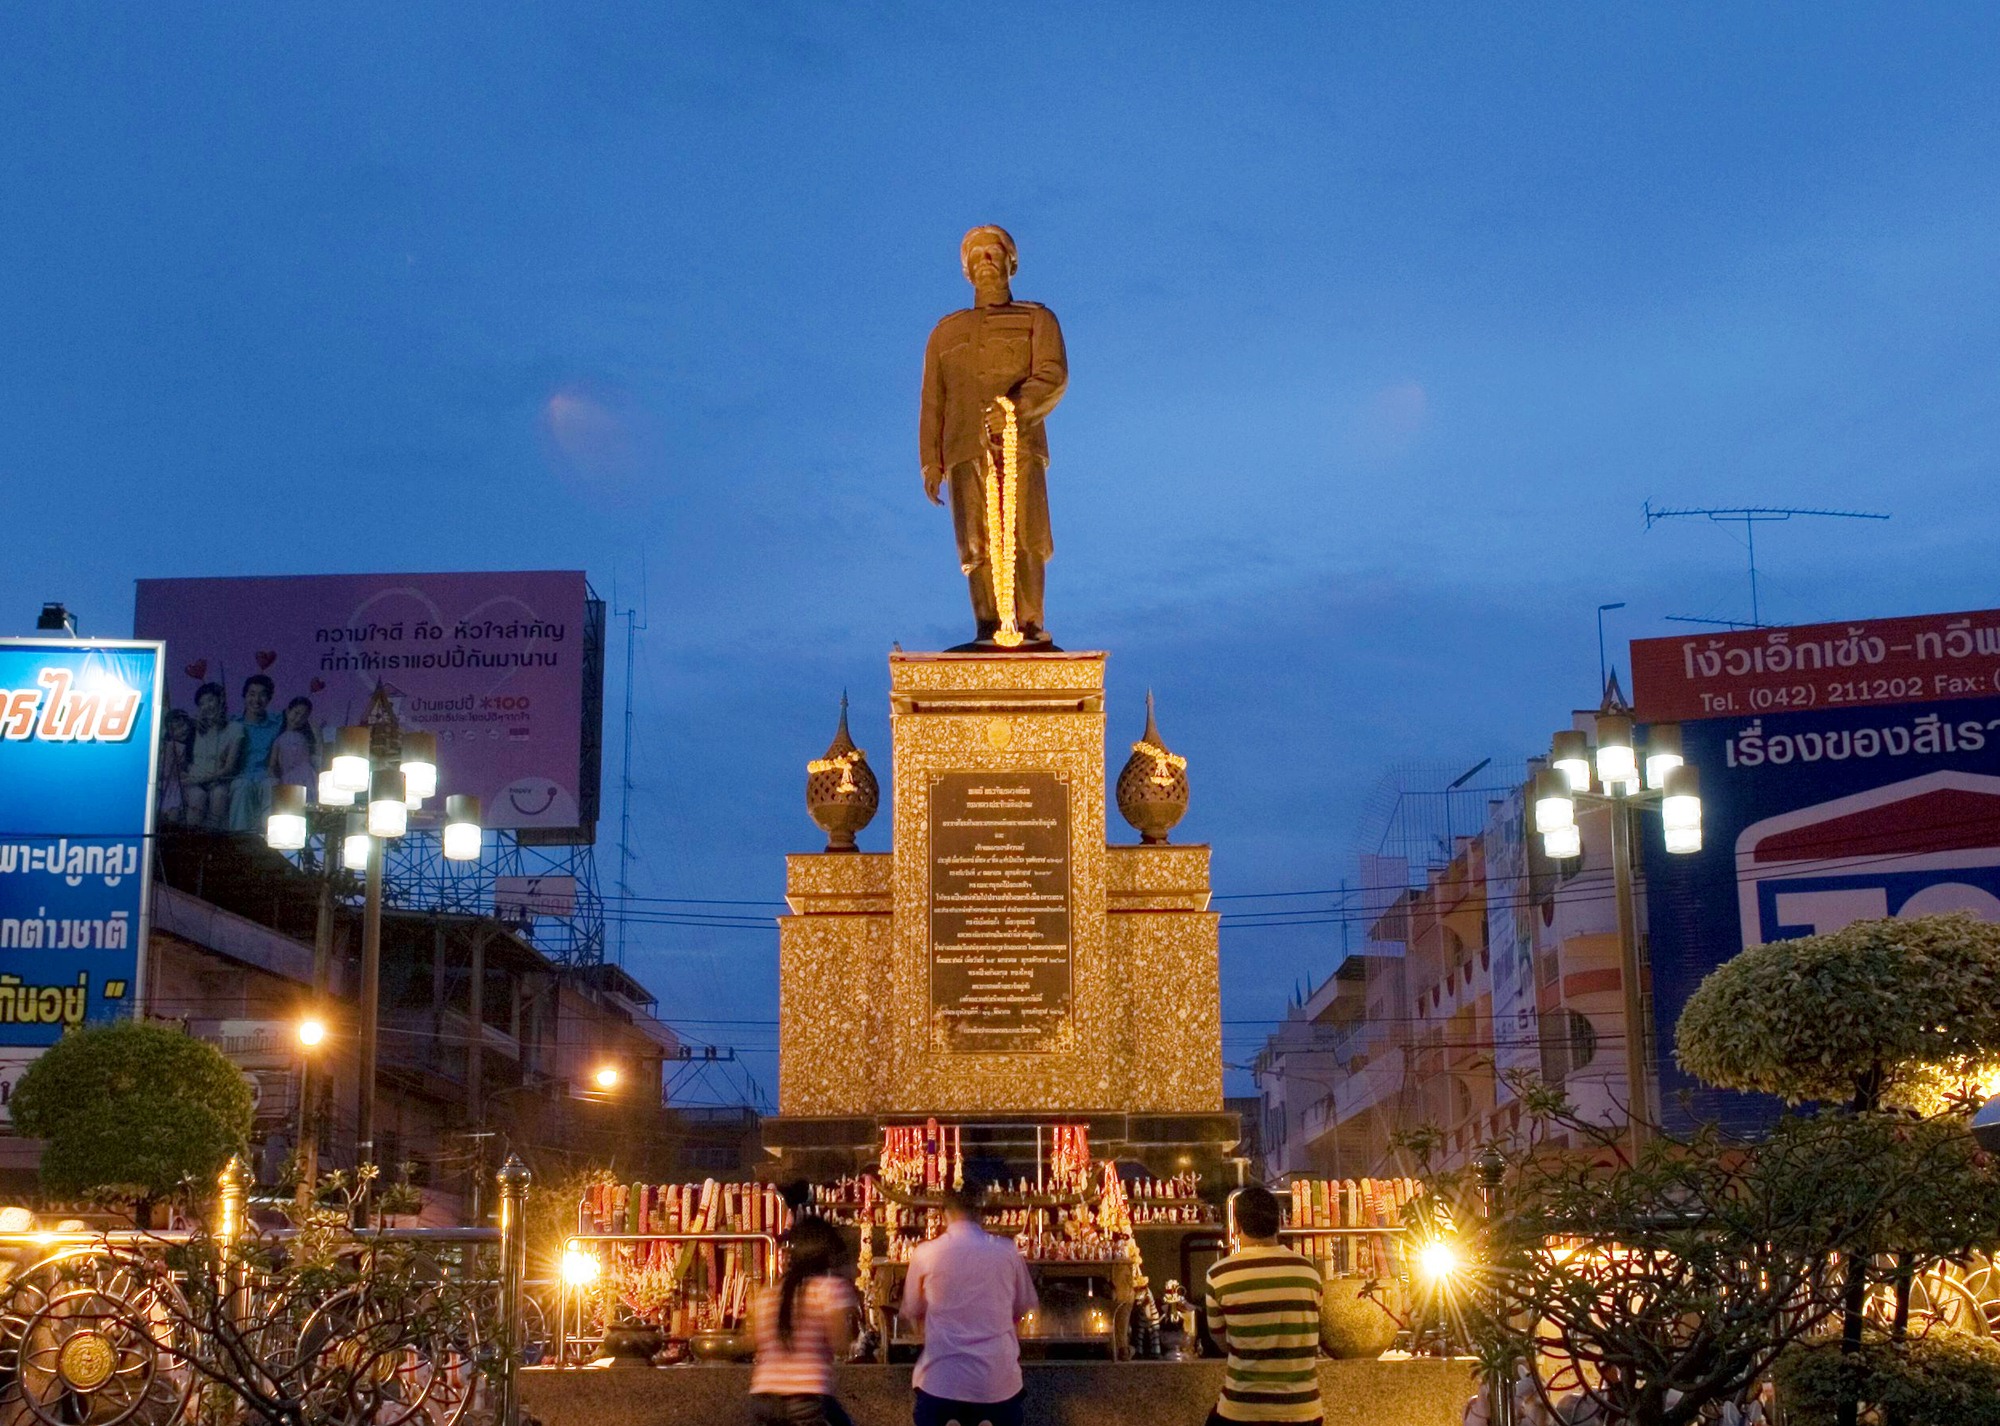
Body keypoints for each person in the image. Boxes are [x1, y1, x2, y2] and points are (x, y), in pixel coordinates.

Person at [919, 224, 1068, 648]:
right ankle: (988, 628)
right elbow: (933, 399)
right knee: (975, 544)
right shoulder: (945, 334)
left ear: (1010, 262)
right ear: (966, 269)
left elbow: (1054, 374)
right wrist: (931, 460)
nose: (986, 261)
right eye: (976, 254)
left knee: (1026, 535)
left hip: (1020, 444)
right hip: (965, 448)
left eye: (994, 252)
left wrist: (1017, 409)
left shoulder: (1038, 320)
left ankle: (1031, 627)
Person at [900, 1179, 1037, 1426]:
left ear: (944, 1214)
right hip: (997, 1382)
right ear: (980, 1215)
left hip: (942, 1380)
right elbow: (1023, 1306)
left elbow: (912, 1310)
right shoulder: (1006, 1252)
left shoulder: (925, 1253)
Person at [1203, 1185, 1324, 1426]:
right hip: (1303, 1411)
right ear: (1278, 1222)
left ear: (1236, 1225)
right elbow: (1312, 1331)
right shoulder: (1308, 1272)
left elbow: (1221, 1341)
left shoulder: (1220, 1274)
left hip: (1243, 1411)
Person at [749, 1215, 857, 1426]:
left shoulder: (769, 1293)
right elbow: (841, 1344)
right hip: (807, 1399)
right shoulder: (830, 1290)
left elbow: (755, 1341)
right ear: (827, 1254)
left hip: (763, 1397)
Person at [183, 682, 244, 830]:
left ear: (220, 700)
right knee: (198, 797)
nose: (207, 706)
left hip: (220, 781)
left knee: (219, 796)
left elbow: (230, 767)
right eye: (201, 703)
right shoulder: (194, 729)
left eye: (210, 700)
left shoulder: (235, 729)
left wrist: (209, 779)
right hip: (194, 781)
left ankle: (215, 843)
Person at [228, 674, 282, 831]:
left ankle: (269, 843)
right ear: (244, 696)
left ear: (269, 699)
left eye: (262, 695)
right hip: (240, 776)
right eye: (252, 694)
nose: (257, 700)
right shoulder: (233, 724)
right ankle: (239, 843)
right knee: (241, 787)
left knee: (272, 785)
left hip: (266, 776)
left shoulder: (276, 723)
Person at [268, 696, 318, 791]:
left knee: (307, 772)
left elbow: (311, 757)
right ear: (288, 711)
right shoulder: (279, 739)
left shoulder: (304, 739)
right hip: (287, 778)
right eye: (296, 713)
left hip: (304, 776)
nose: (298, 719)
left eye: (303, 717)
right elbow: (272, 765)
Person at [157, 709, 194, 824]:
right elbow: (168, 772)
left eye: (182, 725)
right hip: (171, 787)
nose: (180, 731)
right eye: (174, 729)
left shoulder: (194, 742)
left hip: (179, 787)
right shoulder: (172, 747)